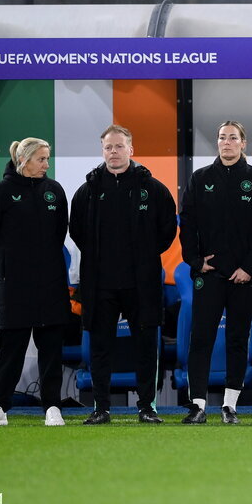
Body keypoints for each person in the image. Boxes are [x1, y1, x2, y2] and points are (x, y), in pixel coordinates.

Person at [69, 125, 176, 425]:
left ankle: (147, 407)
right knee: (100, 346)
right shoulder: (87, 191)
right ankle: (101, 408)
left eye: (119, 146)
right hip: (100, 283)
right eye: (108, 147)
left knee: (146, 345)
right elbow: (77, 230)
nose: (113, 152)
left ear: (131, 149)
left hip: (141, 283)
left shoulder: (152, 189)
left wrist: (142, 256)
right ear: (102, 151)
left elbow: (167, 230)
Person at [178, 121, 252, 424]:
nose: (226, 143)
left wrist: (250, 267)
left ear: (244, 143)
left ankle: (230, 405)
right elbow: (187, 224)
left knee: (237, 340)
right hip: (210, 275)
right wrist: (195, 261)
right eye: (221, 138)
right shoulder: (201, 178)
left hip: (244, 277)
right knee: (201, 339)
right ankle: (198, 404)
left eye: (232, 138)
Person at [0, 138, 69, 427]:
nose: (46, 164)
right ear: (24, 161)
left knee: (52, 350)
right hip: (14, 285)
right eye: (41, 159)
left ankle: (52, 407)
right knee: (11, 349)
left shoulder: (54, 192)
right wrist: (6, 268)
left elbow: (59, 234)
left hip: (51, 284)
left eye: (47, 158)